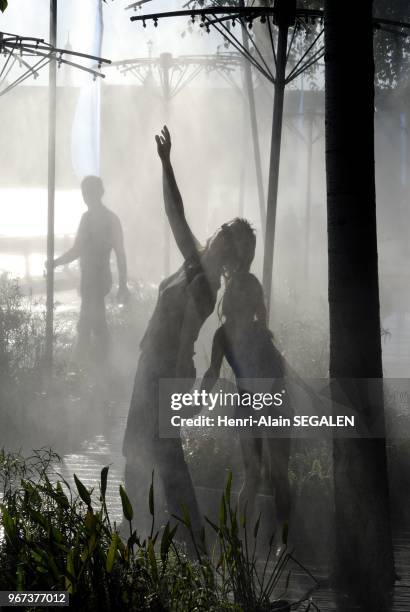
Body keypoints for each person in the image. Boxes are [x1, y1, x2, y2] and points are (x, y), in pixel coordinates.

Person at [122, 126, 256, 543]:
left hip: (164, 370)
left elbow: (182, 337)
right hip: (157, 367)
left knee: (157, 459)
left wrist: (179, 385)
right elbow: (175, 214)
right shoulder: (195, 262)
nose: (218, 240)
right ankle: (152, 536)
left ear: (232, 257)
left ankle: (169, 539)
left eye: (227, 241)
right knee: (154, 457)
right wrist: (166, 164)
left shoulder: (203, 281)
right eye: (222, 232)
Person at [201, 272, 291, 531]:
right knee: (261, 477)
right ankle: (240, 538)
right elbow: (212, 374)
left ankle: (264, 540)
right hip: (259, 405)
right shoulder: (244, 334)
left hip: (268, 404)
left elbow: (212, 374)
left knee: (271, 476)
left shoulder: (254, 333)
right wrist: (194, 403)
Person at [52, 176, 129, 360]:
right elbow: (78, 250)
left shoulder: (106, 220)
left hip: (97, 278)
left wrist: (123, 285)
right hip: (92, 279)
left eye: (89, 193)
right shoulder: (98, 219)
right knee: (94, 322)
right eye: (85, 193)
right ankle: (102, 366)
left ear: (98, 193)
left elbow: (119, 253)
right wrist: (57, 262)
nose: (86, 197)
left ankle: (86, 367)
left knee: (88, 323)